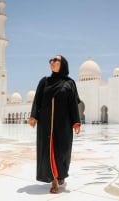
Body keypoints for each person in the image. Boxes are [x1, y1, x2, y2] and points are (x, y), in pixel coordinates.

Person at [29, 55, 81, 194]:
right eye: (50, 60)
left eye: (55, 60)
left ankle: (61, 174)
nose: (52, 62)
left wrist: (76, 121)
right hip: (46, 123)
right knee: (48, 151)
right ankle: (53, 181)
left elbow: (73, 104)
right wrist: (33, 115)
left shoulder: (69, 83)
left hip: (63, 124)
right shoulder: (44, 82)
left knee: (63, 152)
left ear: (62, 64)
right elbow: (37, 100)